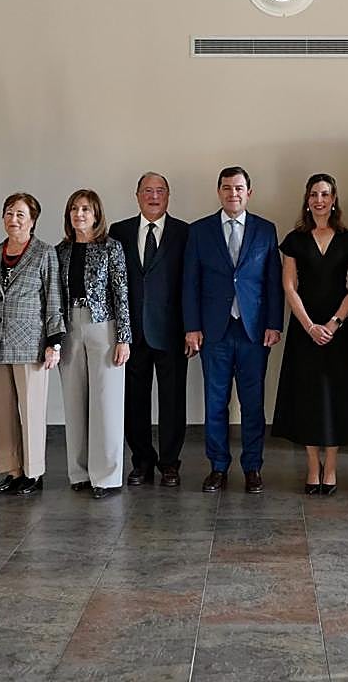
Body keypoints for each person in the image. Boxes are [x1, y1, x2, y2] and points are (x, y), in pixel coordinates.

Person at [184, 166, 284, 494]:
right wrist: (192, 328)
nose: (233, 194)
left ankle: (253, 467)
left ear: (249, 193)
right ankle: (218, 467)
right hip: (214, 331)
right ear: (219, 192)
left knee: (253, 403)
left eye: (239, 188)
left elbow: (273, 282)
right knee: (215, 402)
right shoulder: (199, 231)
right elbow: (191, 283)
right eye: (227, 188)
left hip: (254, 331)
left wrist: (273, 324)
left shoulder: (266, 230)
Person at [271, 173, 348, 494]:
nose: (319, 200)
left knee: (335, 397)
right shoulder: (294, 239)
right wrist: (310, 326)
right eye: (313, 194)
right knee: (308, 399)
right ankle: (312, 467)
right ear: (307, 200)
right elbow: (289, 286)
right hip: (304, 330)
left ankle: (332, 469)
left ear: (334, 199)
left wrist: (335, 323)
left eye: (325, 194)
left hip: (338, 331)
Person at [109, 172, 190, 488]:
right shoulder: (120, 232)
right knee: (134, 401)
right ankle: (141, 461)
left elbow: (190, 283)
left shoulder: (184, 232)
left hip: (172, 331)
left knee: (172, 401)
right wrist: (119, 332)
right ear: (137, 195)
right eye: (147, 190)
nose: (153, 196)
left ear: (168, 196)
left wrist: (191, 329)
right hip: (132, 333)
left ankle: (170, 463)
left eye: (160, 191)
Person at [0, 192, 64, 497]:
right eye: (8, 213)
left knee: (31, 410)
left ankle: (33, 472)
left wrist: (54, 342)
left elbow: (54, 299)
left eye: (20, 214)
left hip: (31, 343)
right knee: (3, 412)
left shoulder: (44, 253)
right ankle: (12, 470)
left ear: (32, 220)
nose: (13, 219)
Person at [56, 189, 131, 499]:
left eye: (86, 209)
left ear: (97, 214)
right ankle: (80, 472)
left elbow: (121, 293)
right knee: (74, 402)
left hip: (104, 326)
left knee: (106, 403)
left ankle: (108, 476)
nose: (80, 214)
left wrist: (124, 337)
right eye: (74, 208)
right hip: (70, 326)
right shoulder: (60, 250)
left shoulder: (111, 248)